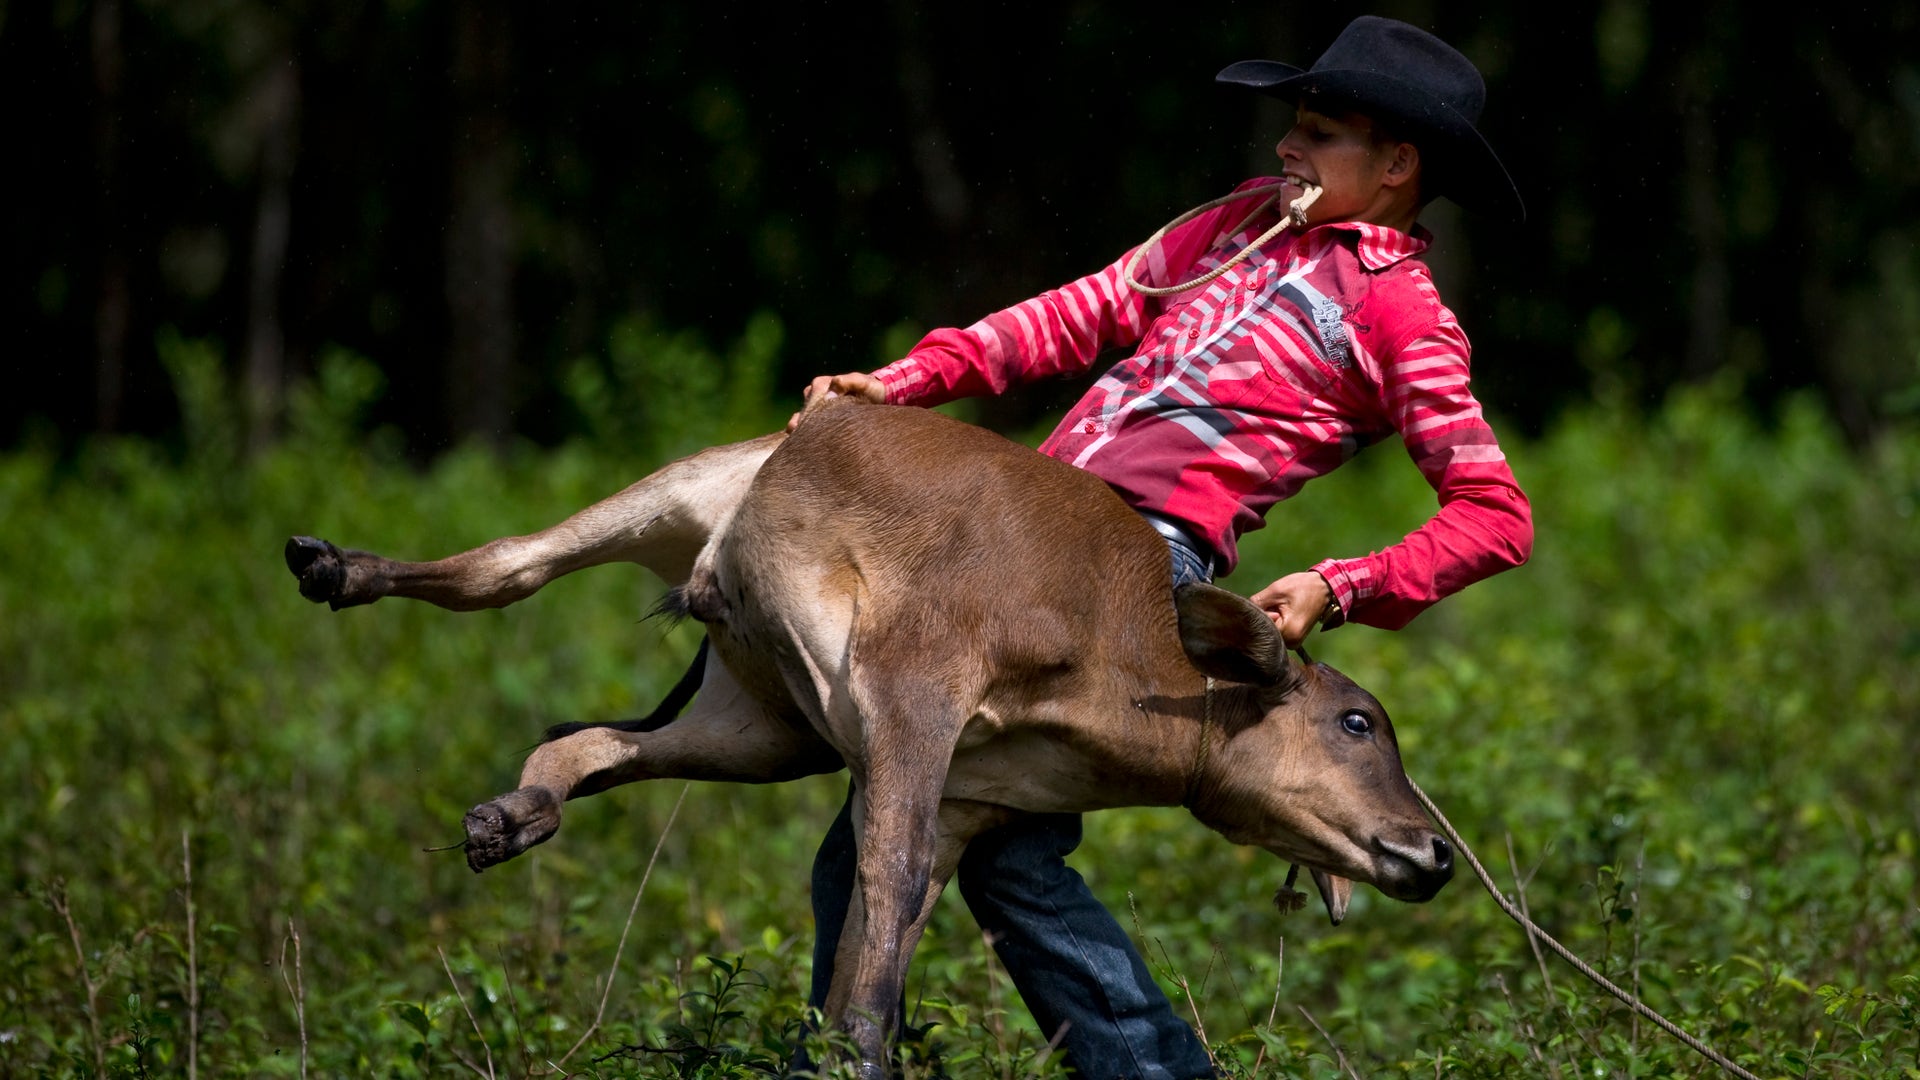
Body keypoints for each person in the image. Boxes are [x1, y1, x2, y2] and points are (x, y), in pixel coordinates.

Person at [792, 16, 1533, 1078]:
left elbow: (1495, 513)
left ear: (1399, 165)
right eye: (1294, 127)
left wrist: (1342, 582)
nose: (1286, 148)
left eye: (1319, 134)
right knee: (924, 823)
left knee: (950, 828)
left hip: (1137, 569)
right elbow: (1082, 312)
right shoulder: (1239, 223)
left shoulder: (1403, 315)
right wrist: (910, 379)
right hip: (1026, 531)